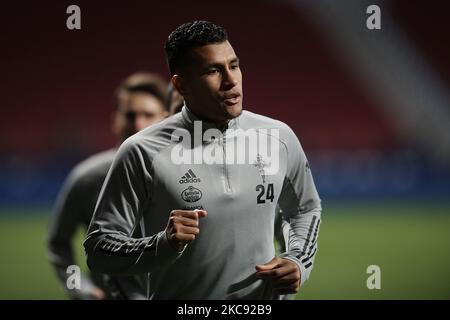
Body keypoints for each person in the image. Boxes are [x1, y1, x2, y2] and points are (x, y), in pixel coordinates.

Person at [84, 21, 322, 299]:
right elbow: (99, 249)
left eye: (234, 65)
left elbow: (305, 208)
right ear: (181, 85)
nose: (231, 80)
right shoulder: (142, 151)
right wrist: (162, 244)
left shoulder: (278, 138)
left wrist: (297, 261)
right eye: (213, 70)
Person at [47, 72, 169, 299]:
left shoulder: (183, 175)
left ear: (165, 119)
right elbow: (59, 243)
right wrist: (79, 288)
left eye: (148, 114)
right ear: (115, 119)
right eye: (130, 115)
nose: (139, 123)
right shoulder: (86, 177)